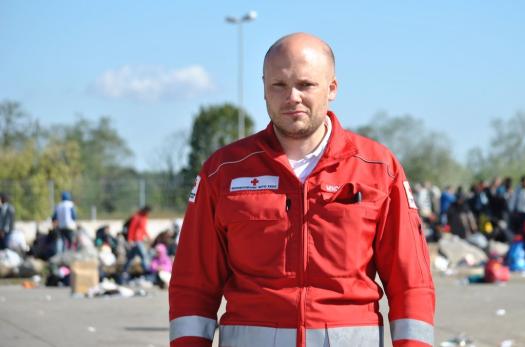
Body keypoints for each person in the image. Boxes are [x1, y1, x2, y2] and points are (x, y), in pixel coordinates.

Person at [169, 33, 435, 347]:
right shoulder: (224, 171)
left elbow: (411, 283)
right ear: (264, 89)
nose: (292, 96)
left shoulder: (378, 169)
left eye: (305, 85)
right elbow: (193, 285)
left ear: (332, 88)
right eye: (278, 85)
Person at [121, 205, 152, 282]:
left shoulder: (144, 218)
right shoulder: (137, 217)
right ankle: (147, 273)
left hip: (140, 239)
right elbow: (132, 229)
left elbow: (143, 229)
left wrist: (148, 237)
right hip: (136, 240)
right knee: (144, 256)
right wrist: (130, 239)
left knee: (131, 257)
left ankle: (124, 272)